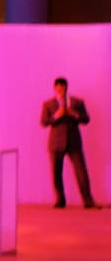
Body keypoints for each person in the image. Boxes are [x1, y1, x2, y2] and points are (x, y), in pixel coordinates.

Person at [41, 77, 97, 209]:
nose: (61, 89)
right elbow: (43, 122)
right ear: (55, 88)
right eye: (58, 87)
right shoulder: (48, 104)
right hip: (55, 143)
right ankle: (60, 200)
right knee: (56, 173)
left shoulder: (77, 102)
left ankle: (88, 201)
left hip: (74, 142)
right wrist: (56, 116)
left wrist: (75, 114)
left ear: (66, 87)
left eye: (63, 87)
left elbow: (86, 119)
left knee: (81, 171)